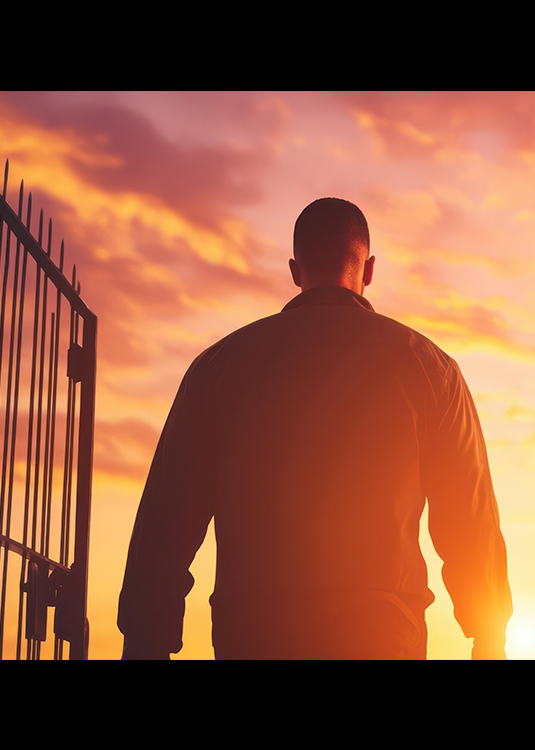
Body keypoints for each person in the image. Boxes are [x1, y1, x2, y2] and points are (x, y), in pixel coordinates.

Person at [118, 197, 511, 660]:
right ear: (368, 270)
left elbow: (167, 515)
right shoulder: (430, 369)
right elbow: (470, 519)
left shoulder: (218, 367)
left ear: (294, 269)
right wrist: (489, 638)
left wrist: (147, 639)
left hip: (255, 633)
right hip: (381, 635)